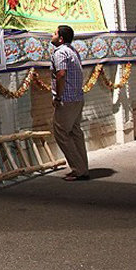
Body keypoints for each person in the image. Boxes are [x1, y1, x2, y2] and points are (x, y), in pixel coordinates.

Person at [50, 25, 90, 181]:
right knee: (75, 132)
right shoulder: (73, 51)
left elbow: (61, 74)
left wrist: (58, 97)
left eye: (54, 34)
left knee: (61, 133)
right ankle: (82, 168)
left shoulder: (60, 53)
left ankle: (78, 170)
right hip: (77, 98)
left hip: (66, 100)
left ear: (60, 39)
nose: (51, 36)